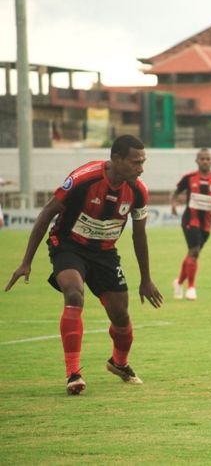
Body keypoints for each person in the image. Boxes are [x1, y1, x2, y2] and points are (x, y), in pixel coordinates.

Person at [4, 135, 163, 396]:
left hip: (105, 253)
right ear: (116, 159)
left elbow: (139, 235)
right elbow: (47, 213)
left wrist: (146, 279)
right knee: (74, 294)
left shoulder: (138, 192)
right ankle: (73, 373)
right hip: (69, 246)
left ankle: (119, 363)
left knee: (121, 317)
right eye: (135, 162)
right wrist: (26, 261)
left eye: (143, 162)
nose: (141, 168)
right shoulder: (83, 179)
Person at [170, 148, 211, 300]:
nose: (205, 161)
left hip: (207, 223)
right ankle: (191, 288)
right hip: (190, 220)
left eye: (207, 158)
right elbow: (176, 192)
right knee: (195, 251)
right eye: (202, 158)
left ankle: (178, 282)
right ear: (197, 161)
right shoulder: (189, 178)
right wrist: (173, 204)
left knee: (193, 253)